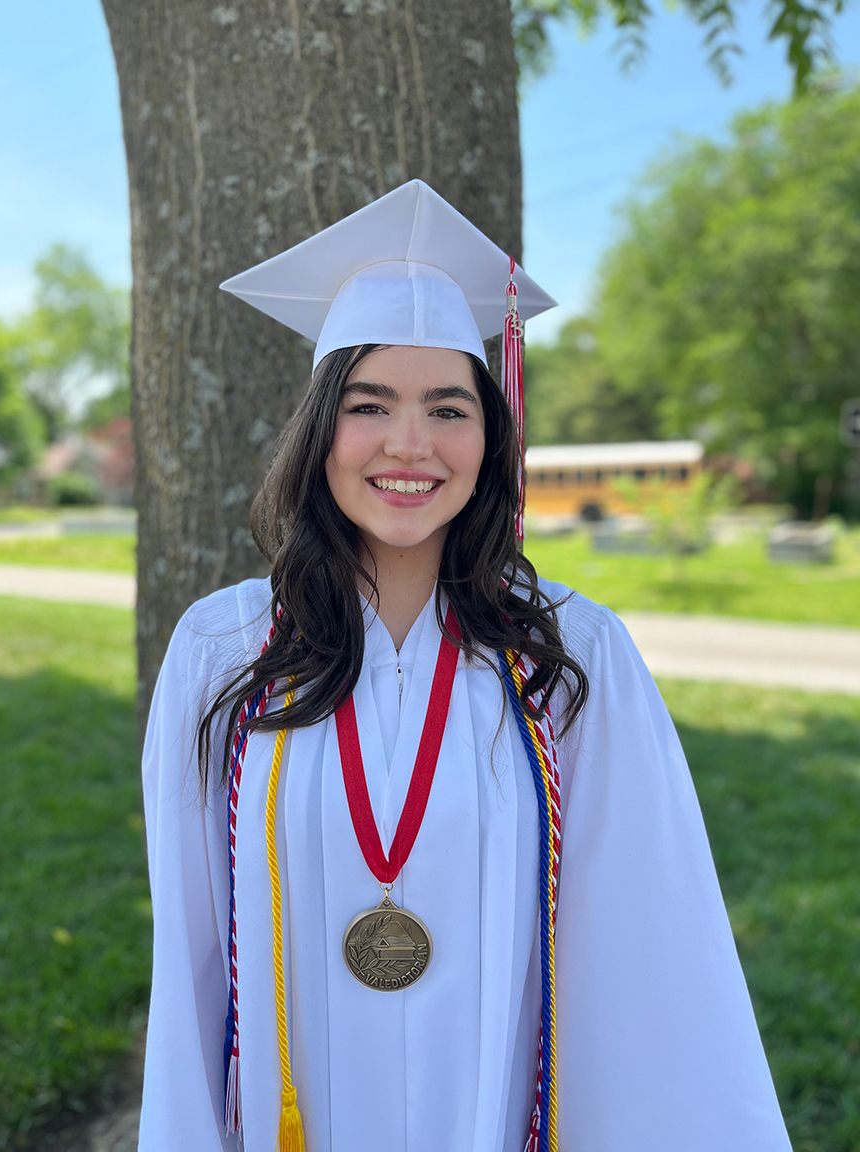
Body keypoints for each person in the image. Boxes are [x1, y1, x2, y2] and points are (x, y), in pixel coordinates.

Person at [139, 180, 791, 1152]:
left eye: (449, 407)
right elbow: (191, 963)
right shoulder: (225, 649)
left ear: (492, 436)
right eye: (370, 406)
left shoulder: (574, 657)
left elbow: (650, 947)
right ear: (321, 433)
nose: (410, 443)